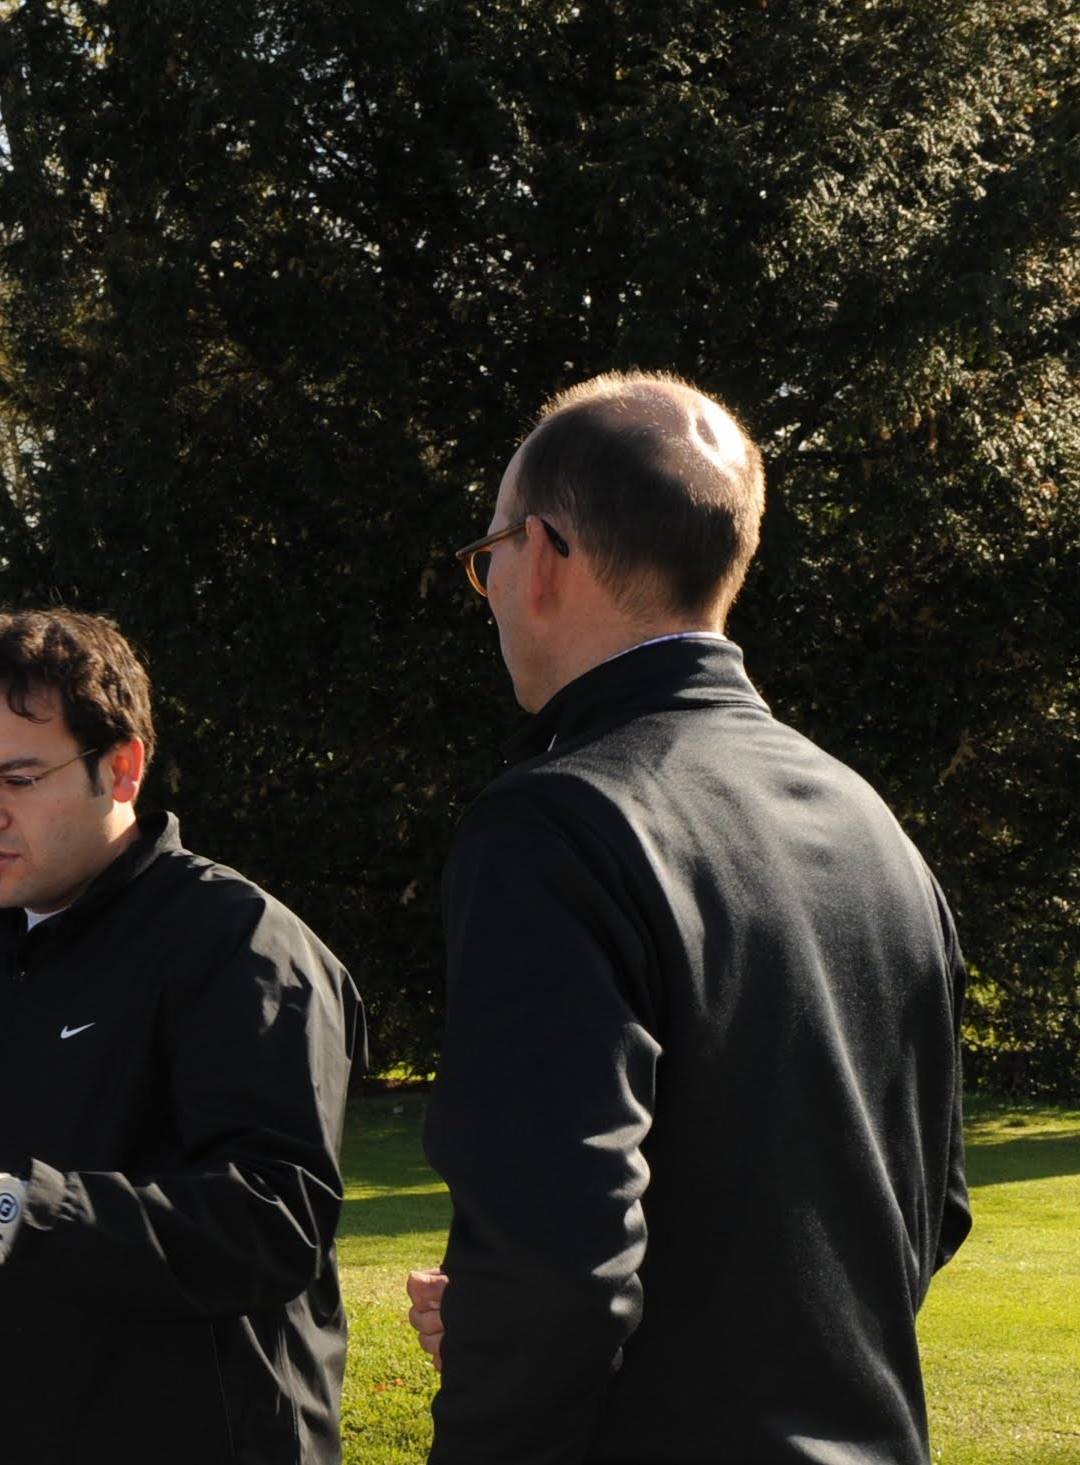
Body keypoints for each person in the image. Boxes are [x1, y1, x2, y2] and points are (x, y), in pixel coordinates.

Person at [407, 372, 971, 1462]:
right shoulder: (873, 826)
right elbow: (921, 1211)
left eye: (489, 554)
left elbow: (557, 1264)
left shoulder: (555, 824)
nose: (491, 588)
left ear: (545, 553)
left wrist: (512, 1340)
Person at [0, 609, 363, 1464]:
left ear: (122, 767)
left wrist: (27, 1213)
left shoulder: (240, 944)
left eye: (16, 779)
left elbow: (277, 1219)